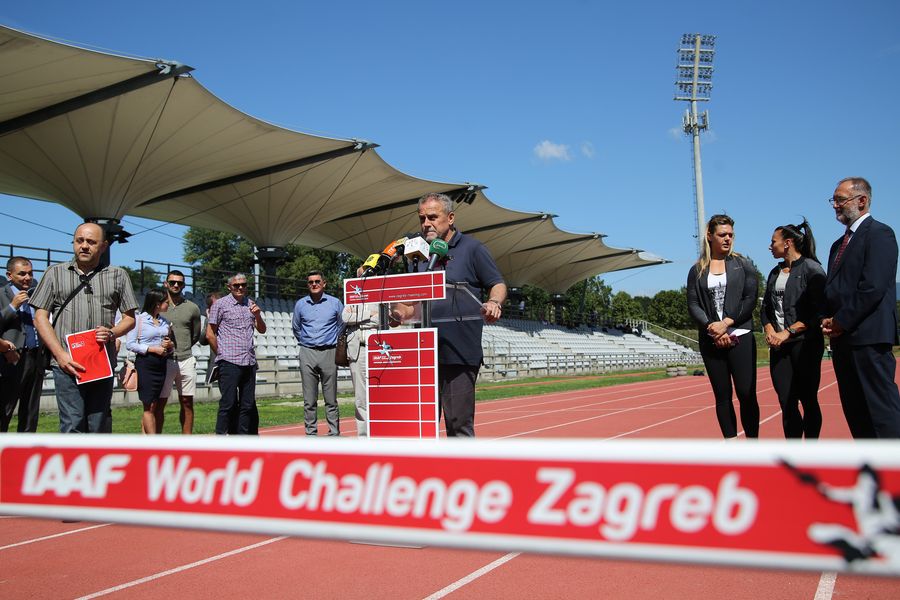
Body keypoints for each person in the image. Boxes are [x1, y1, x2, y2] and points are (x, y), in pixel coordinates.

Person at [396, 192, 507, 437]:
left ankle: (461, 463)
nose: (426, 224)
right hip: (423, 351)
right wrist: (395, 313)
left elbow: (497, 283)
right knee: (421, 427)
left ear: (451, 217)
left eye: (432, 217)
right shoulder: (418, 255)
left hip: (459, 353)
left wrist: (493, 302)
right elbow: (411, 303)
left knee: (458, 426)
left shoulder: (473, 249)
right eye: (422, 218)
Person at [31, 222, 137, 433]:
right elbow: (40, 317)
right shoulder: (54, 273)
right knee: (72, 424)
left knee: (98, 425)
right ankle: (73, 457)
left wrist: (112, 333)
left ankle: (94, 456)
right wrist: (60, 355)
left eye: (91, 242)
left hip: (101, 363)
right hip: (67, 363)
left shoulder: (118, 275)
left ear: (104, 246)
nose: (84, 246)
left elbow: (129, 319)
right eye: (80, 241)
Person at [822, 177, 900, 439]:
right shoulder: (837, 245)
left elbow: (873, 287)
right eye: (833, 200)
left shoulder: (880, 234)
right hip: (842, 341)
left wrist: (841, 321)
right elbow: (834, 288)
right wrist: (827, 318)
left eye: (840, 200)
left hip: (869, 338)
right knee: (856, 412)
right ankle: (869, 462)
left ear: (862, 200)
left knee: (881, 412)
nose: (835, 205)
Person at [686, 214, 759, 439]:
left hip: (740, 335)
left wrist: (726, 323)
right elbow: (693, 304)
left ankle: (754, 443)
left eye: (731, 235)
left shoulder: (743, 265)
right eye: (722, 235)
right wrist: (712, 327)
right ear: (710, 236)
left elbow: (750, 299)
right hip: (711, 339)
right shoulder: (697, 270)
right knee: (722, 396)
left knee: (746, 393)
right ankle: (730, 443)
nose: (728, 239)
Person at [761, 221, 826, 439]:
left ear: (787, 243)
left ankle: (811, 449)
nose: (770, 246)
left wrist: (787, 332)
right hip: (780, 348)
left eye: (773, 242)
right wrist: (769, 329)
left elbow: (818, 312)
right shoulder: (774, 272)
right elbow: (765, 308)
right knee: (786, 401)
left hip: (805, 345)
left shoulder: (812, 269)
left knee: (808, 399)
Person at [207, 274, 265, 435]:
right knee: (228, 403)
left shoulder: (251, 303)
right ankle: (221, 436)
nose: (240, 288)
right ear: (229, 287)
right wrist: (221, 354)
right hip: (229, 361)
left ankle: (243, 439)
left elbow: (262, 329)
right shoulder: (220, 305)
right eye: (236, 285)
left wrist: (258, 315)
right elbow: (210, 334)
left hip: (249, 361)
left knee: (247, 405)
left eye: (243, 285)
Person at [292, 270, 343, 436]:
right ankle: (311, 433)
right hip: (307, 352)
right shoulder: (300, 304)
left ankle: (334, 433)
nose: (314, 284)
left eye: (317, 281)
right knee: (309, 399)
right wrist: (308, 341)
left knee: (331, 398)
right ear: (308, 285)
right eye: (311, 282)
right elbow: (296, 328)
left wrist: (332, 342)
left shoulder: (335, 303)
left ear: (324, 283)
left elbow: (341, 325)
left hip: (329, 352)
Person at [0, 257, 44, 432]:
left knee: (30, 412)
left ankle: (26, 446)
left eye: (30, 273)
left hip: (35, 357)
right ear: (9, 275)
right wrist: (13, 306)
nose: (27, 278)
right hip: (11, 359)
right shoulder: (1, 295)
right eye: (22, 274)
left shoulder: (36, 295)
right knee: (5, 409)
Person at [125, 289, 175, 434]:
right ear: (157, 304)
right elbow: (130, 344)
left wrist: (169, 345)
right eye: (166, 302)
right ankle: (154, 443)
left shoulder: (164, 322)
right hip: (146, 364)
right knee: (149, 405)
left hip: (161, 364)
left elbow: (169, 344)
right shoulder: (139, 320)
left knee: (155, 404)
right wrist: (152, 349)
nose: (168, 304)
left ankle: (145, 439)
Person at [160, 270, 201, 434]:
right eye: (172, 282)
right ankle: (155, 441)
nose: (176, 285)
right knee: (160, 403)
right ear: (166, 284)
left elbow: (195, 334)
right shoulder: (158, 306)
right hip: (164, 361)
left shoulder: (192, 308)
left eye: (180, 283)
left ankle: (187, 441)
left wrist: (183, 346)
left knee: (187, 402)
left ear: (184, 285)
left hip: (186, 359)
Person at [341, 302, 379, 436]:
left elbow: (383, 319)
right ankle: (363, 435)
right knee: (360, 397)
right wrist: (369, 315)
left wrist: (357, 320)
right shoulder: (352, 297)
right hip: (356, 350)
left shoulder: (379, 296)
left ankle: (379, 431)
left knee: (379, 393)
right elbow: (345, 318)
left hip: (377, 348)